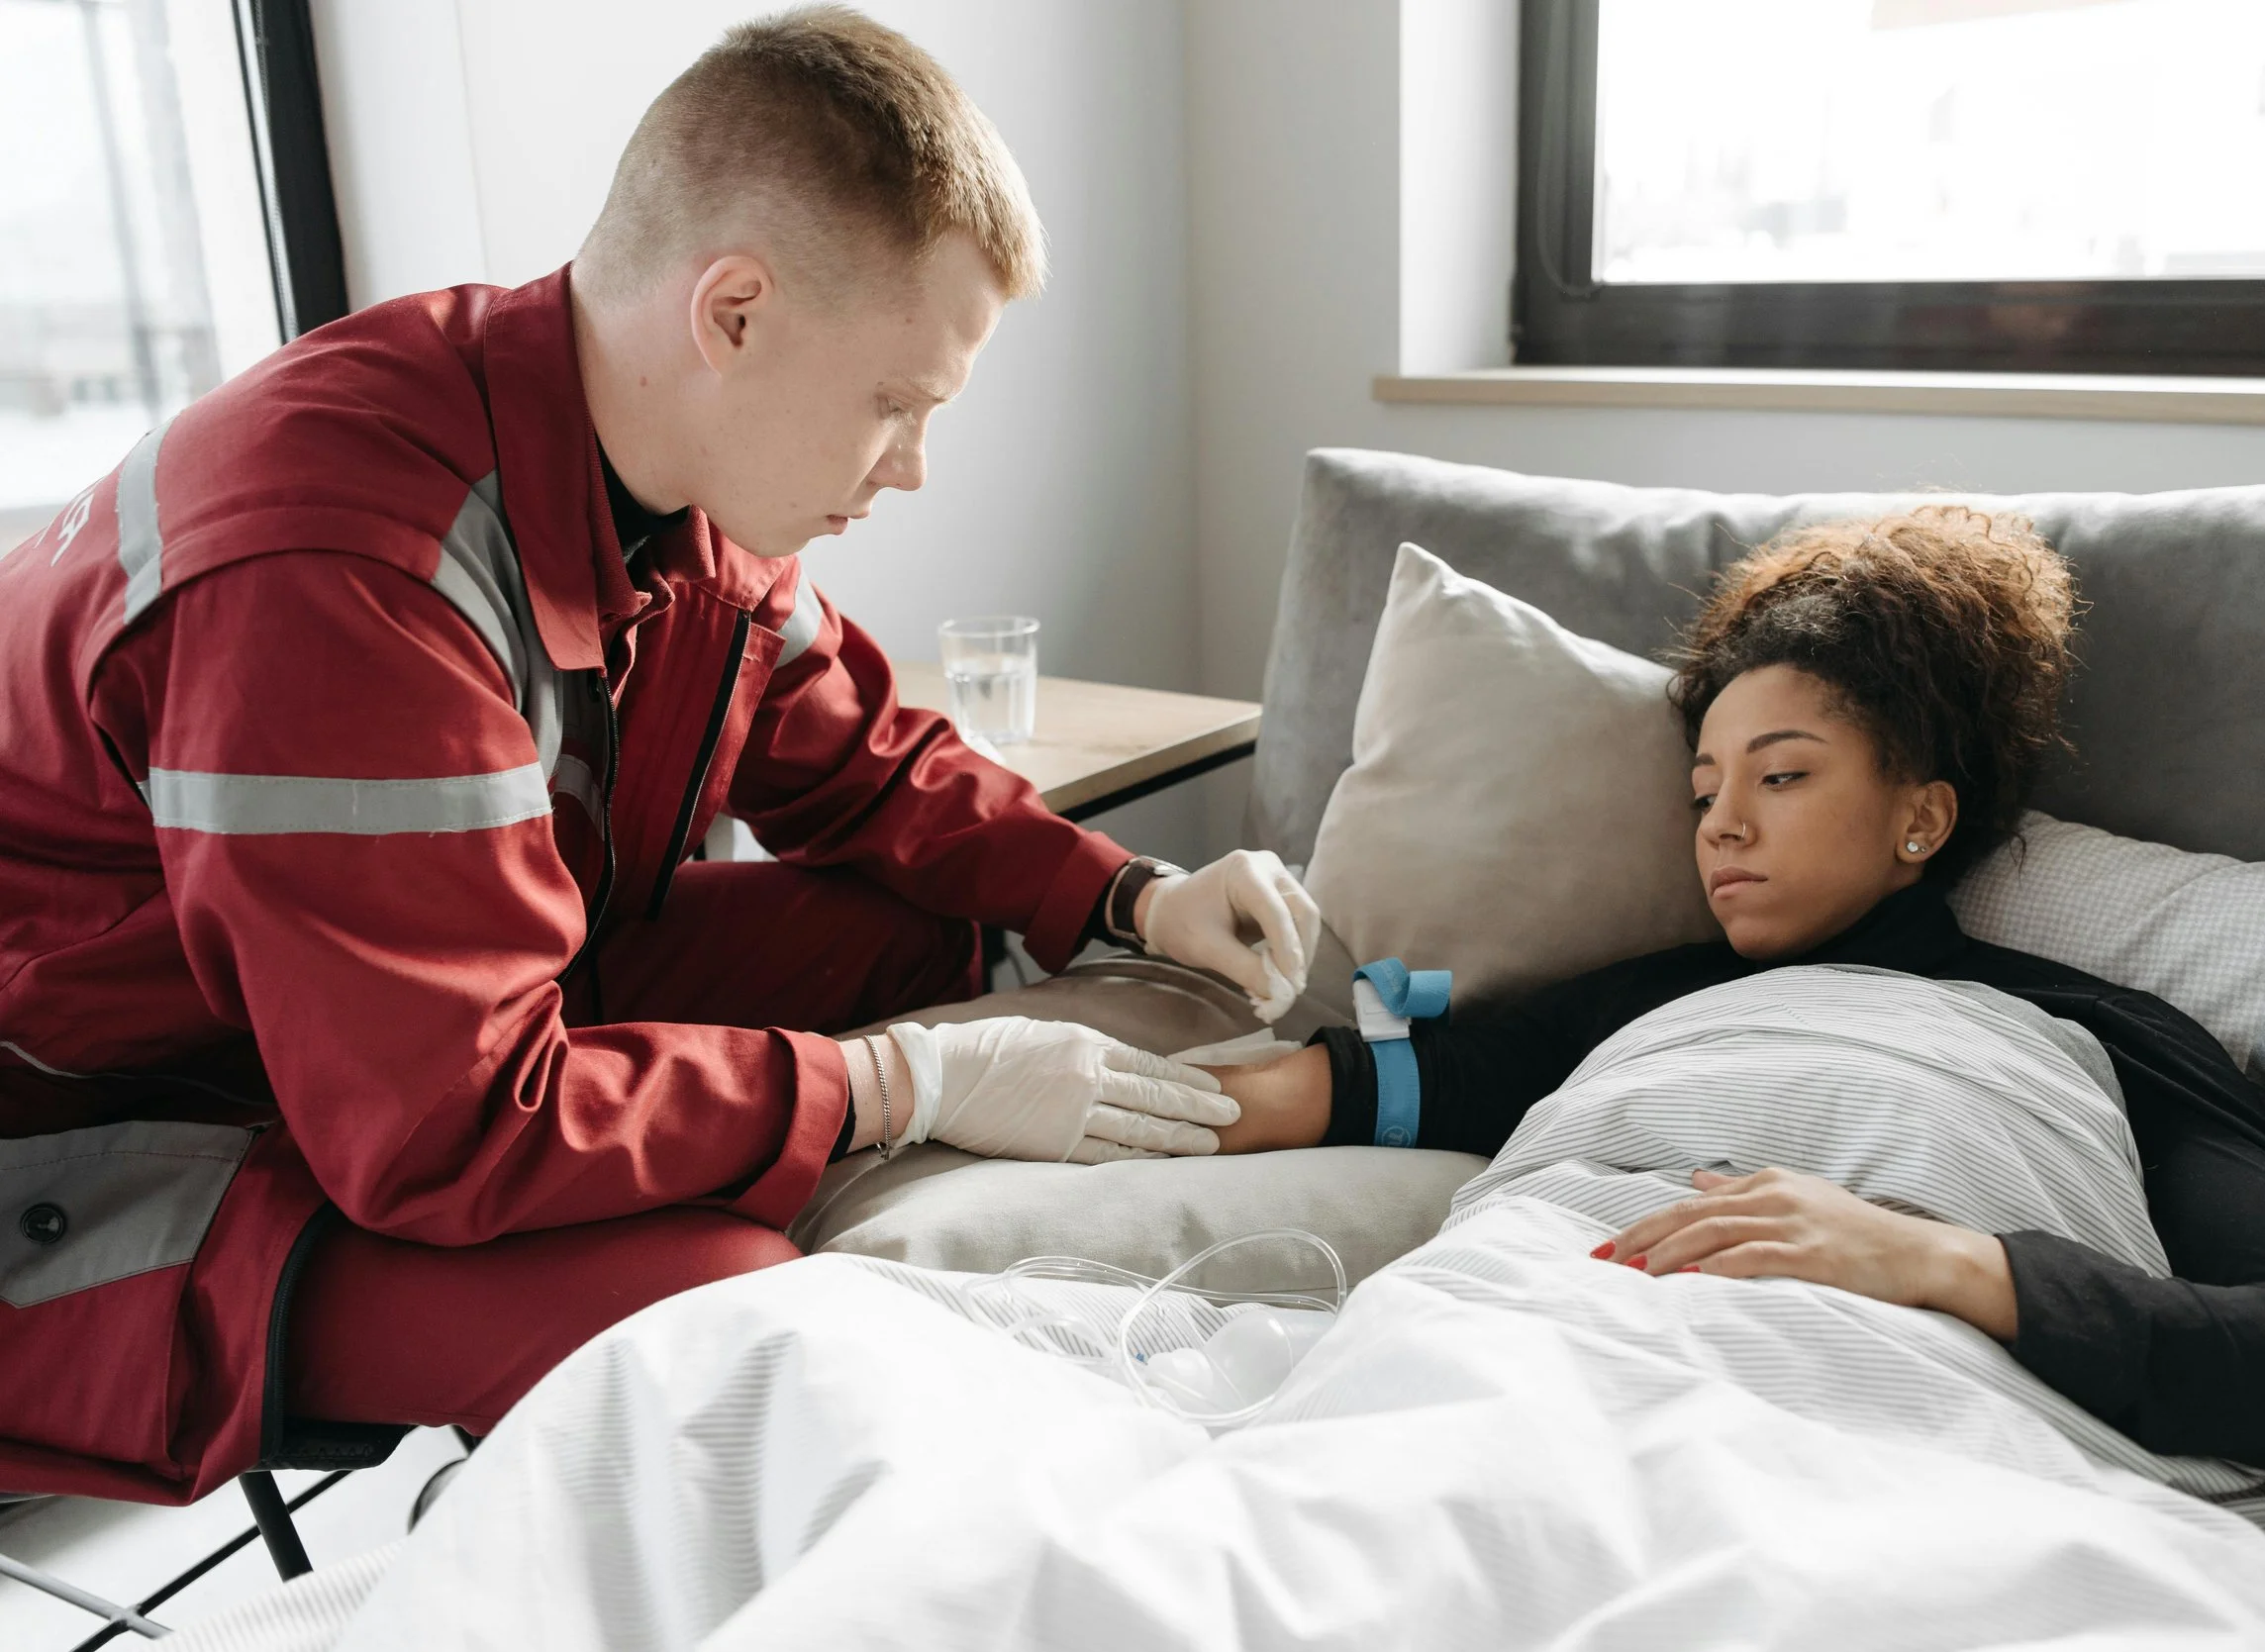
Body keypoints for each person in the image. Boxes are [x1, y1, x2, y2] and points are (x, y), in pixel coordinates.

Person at [0, 9, 1307, 1505]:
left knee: (916, 925)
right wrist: (897, 1085)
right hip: (124, 1137)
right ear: (734, 314)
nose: (914, 463)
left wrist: (1137, 895)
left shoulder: (675, 488)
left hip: (395, 1030)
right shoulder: (340, 576)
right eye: (897, 403)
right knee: (729, 1315)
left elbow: (864, 761)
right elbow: (445, 1125)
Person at [1202, 507, 2265, 1490]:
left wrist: (1926, 1257)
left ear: (1921, 816)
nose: (1721, 821)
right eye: (1702, 790)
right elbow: (1352, 1086)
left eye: (1781, 775)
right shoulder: (1644, 1004)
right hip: (1535, 1351)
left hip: (1884, 1422)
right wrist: (1063, 1093)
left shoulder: (2118, 1037)